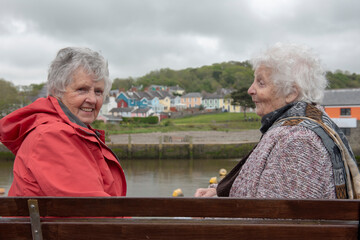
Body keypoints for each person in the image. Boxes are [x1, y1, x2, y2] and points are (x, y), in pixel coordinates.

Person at [195, 42, 360, 199]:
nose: (250, 90)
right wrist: (218, 193)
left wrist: (214, 209)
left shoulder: (298, 140)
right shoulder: (302, 125)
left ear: (290, 93)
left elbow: (274, 219)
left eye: (261, 83)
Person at [0, 47, 126, 197]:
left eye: (98, 91)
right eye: (82, 89)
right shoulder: (51, 136)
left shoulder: (69, 132)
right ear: (57, 91)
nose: (92, 99)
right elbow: (92, 210)